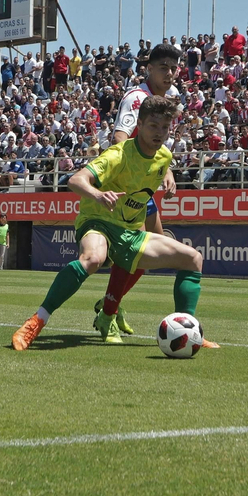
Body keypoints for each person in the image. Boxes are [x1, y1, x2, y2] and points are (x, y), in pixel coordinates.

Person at [12, 96, 207, 350]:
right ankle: (37, 321)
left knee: (193, 259)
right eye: (153, 126)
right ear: (139, 124)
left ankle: (188, 330)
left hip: (129, 232)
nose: (159, 133)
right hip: (98, 221)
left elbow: (160, 161)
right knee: (92, 259)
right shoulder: (118, 154)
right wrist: (98, 195)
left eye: (165, 128)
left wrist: (169, 176)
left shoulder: (164, 156)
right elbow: (75, 180)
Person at [89, 43, 183, 340]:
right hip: (127, 186)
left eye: (173, 68)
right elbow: (120, 135)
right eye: (163, 67)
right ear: (149, 69)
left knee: (152, 251)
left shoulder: (166, 100)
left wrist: (165, 170)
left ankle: (110, 304)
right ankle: (109, 310)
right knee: (139, 252)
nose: (169, 73)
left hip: (143, 186)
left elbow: (156, 146)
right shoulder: (137, 97)